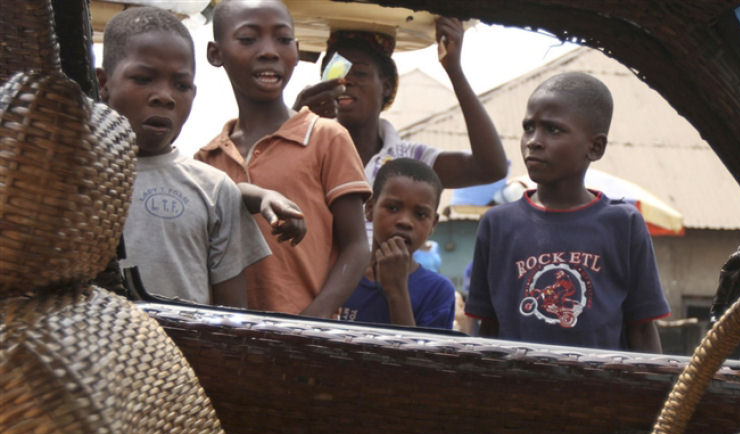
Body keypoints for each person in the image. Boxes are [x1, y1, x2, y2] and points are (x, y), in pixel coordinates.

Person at [97, 6, 307, 308]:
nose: (164, 96)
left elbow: (230, 320)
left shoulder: (214, 190)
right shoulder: (69, 178)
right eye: (143, 79)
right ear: (103, 84)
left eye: (181, 85)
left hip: (183, 356)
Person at [465, 72, 670, 352]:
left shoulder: (623, 224)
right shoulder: (497, 224)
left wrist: (660, 396)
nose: (534, 141)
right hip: (516, 392)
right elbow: (487, 328)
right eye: (528, 128)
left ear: (595, 147)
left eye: (553, 130)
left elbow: (643, 328)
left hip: (600, 391)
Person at [196, 0, 372, 318]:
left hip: (306, 341)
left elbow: (357, 246)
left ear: (296, 49)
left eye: (283, 39)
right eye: (248, 39)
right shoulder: (206, 159)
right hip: (232, 342)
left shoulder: (326, 138)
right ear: (215, 53)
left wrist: (316, 315)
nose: (269, 51)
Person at [294, 20, 508, 243]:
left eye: (359, 73)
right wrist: (295, 120)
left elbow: (490, 168)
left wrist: (455, 71)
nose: (345, 81)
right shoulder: (305, 149)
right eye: (336, 71)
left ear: (386, 86)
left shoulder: (410, 161)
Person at [338, 158, 455, 329]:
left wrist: (397, 290)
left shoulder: (437, 291)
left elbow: (416, 356)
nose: (405, 222)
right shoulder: (340, 274)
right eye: (393, 208)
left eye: (421, 214)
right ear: (369, 209)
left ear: (433, 224)